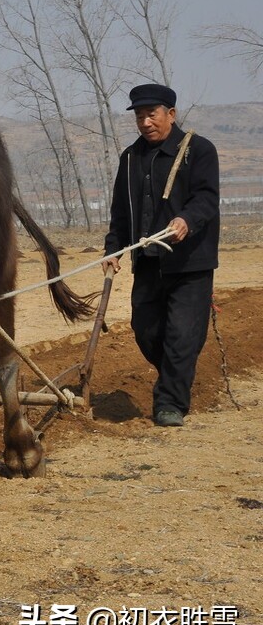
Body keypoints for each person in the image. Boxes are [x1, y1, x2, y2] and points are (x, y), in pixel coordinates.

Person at [102, 83, 220, 427]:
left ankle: (170, 403)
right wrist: (114, 249)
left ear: (171, 113)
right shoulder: (130, 158)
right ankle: (175, 373)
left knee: (182, 335)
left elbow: (207, 198)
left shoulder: (199, 150)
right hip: (149, 262)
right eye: (139, 116)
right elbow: (121, 212)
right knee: (147, 330)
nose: (145, 122)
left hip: (190, 264)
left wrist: (187, 219)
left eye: (151, 114)